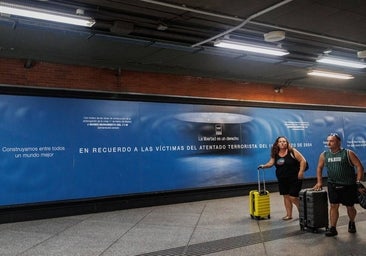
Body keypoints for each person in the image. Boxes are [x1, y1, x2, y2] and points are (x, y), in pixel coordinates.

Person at [313, 133, 365, 237]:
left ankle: (351, 222)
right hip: (332, 184)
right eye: (328, 141)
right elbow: (319, 167)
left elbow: (359, 167)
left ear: (338, 142)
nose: (328, 143)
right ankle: (333, 228)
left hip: (348, 185)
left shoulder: (348, 153)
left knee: (350, 207)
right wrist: (319, 182)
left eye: (331, 141)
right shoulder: (324, 155)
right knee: (333, 206)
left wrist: (358, 182)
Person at [258, 136, 307, 220]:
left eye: (284, 141)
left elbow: (303, 160)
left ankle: (303, 213)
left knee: (293, 197)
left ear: (287, 143)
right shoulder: (275, 153)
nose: (282, 143)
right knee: (286, 196)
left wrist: (301, 171)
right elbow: (271, 163)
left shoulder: (292, 151)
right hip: (282, 178)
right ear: (277, 144)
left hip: (295, 178)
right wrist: (264, 166)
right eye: (280, 141)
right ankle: (289, 215)